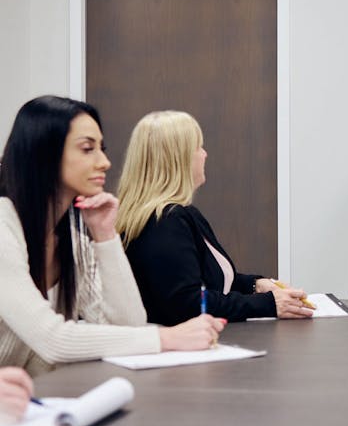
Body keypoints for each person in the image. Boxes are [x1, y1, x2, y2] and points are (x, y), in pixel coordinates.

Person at [0, 96, 224, 375]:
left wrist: (105, 235)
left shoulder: (72, 239)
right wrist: (167, 338)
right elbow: (53, 339)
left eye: (102, 149)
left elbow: (129, 325)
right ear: (43, 154)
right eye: (87, 149)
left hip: (33, 395)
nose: (104, 162)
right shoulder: (4, 226)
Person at [116, 111, 314, 326]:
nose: (205, 154)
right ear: (179, 159)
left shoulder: (177, 215)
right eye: (198, 147)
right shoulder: (164, 222)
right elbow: (188, 304)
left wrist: (255, 285)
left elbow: (211, 281)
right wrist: (268, 304)